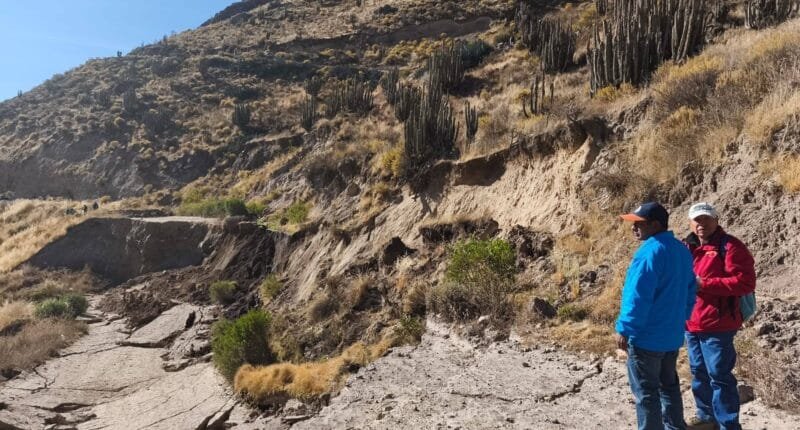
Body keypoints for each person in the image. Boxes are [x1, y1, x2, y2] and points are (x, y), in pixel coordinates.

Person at [616, 202, 697, 430]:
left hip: (646, 337)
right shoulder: (681, 249)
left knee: (646, 393)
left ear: (655, 224)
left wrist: (624, 328)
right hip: (671, 336)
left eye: (639, 223)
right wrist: (681, 318)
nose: (634, 228)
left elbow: (637, 296)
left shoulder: (649, 252)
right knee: (669, 387)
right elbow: (691, 290)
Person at [684, 202, 756, 430]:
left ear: (716, 220)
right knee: (698, 373)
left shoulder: (730, 246)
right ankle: (706, 418)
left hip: (719, 323)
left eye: (706, 219)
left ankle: (728, 424)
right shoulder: (686, 247)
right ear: (690, 223)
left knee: (719, 375)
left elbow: (745, 282)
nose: (701, 224)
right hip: (691, 322)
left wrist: (704, 284)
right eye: (697, 220)